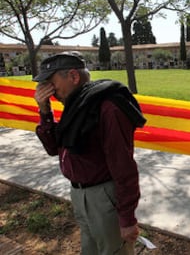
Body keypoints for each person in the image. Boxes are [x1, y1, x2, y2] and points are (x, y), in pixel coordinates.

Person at [33, 51, 146, 255]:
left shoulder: (107, 107)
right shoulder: (76, 106)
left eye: (50, 81)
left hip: (104, 198)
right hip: (79, 194)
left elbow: (123, 166)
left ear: (73, 77)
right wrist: (44, 111)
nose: (46, 89)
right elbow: (53, 148)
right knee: (90, 249)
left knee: (113, 251)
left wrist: (127, 218)